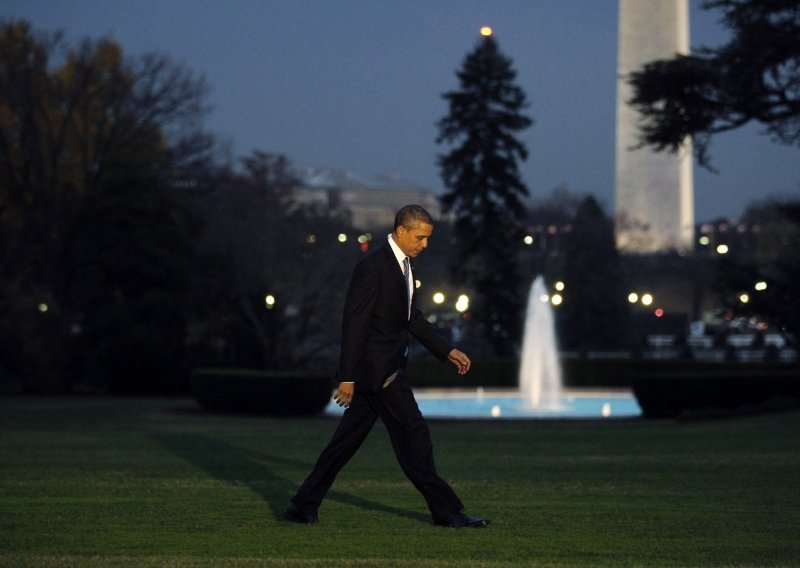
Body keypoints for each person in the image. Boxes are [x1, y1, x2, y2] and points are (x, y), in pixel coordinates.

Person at [283, 204, 489, 529]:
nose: (425, 244)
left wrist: (446, 350)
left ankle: (302, 505)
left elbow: (411, 319)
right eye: (420, 237)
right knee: (415, 438)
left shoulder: (405, 266)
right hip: (380, 375)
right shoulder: (373, 267)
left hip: (381, 372)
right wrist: (347, 377)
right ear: (402, 231)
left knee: (343, 445)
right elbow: (355, 323)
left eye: (428, 239)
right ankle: (448, 513)